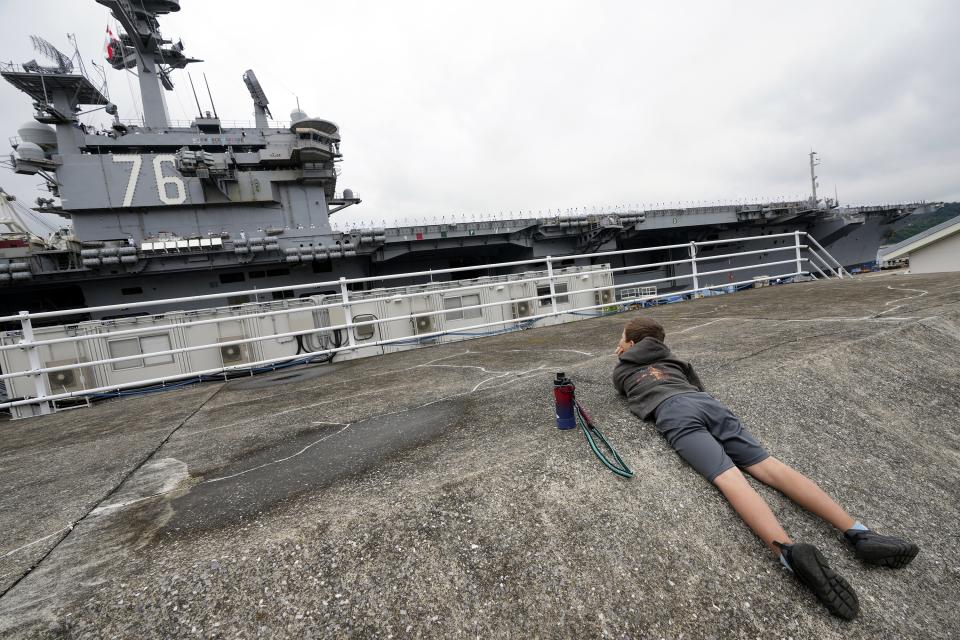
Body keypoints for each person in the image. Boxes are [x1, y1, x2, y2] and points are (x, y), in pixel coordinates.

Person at [612, 317, 919, 620]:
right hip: (706, 404)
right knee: (768, 466)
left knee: (730, 478)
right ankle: (858, 533)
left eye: (621, 341)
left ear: (634, 345)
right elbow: (695, 384)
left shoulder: (623, 369)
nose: (617, 347)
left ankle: (787, 551)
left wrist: (626, 358)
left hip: (673, 412)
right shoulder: (676, 361)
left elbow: (625, 389)